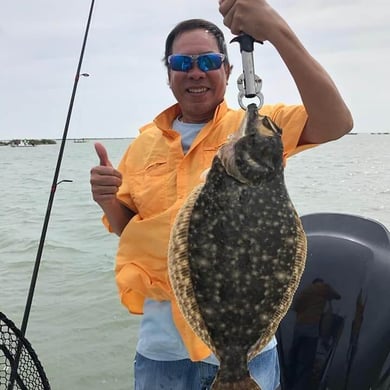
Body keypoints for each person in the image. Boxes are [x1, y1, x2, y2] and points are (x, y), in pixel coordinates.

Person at [90, 1, 353, 389]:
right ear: (168, 75)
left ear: (228, 71)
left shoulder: (256, 128)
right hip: (162, 354)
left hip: (249, 353)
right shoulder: (142, 145)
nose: (195, 72)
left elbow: (337, 122)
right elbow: (128, 229)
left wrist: (276, 31)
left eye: (208, 61)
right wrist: (107, 199)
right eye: (182, 64)